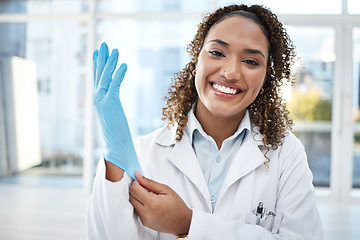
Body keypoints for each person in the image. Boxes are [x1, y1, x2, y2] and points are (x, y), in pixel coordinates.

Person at [87, 4, 324, 240]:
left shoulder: (285, 153)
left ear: (265, 77)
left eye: (251, 61)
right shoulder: (145, 152)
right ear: (196, 60)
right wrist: (114, 160)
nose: (231, 73)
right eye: (217, 53)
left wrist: (188, 224)